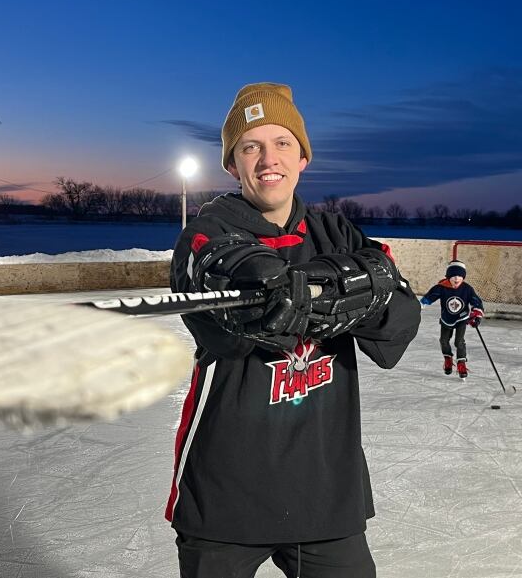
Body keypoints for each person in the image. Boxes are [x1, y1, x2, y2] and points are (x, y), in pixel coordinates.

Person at [168, 82, 421, 578]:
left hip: (326, 493)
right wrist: (339, 294)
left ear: (303, 156)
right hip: (225, 494)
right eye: (250, 146)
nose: (269, 159)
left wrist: (310, 295)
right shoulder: (207, 231)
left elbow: (399, 322)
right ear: (231, 164)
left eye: (283, 143)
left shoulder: (337, 232)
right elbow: (230, 324)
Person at [419, 260, 484, 378]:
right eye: (453, 276)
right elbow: (429, 297)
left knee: (459, 341)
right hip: (446, 319)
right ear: (448, 277)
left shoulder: (467, 289)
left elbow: (476, 302)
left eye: (460, 276)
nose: (456, 278)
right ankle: (448, 358)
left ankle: (461, 363)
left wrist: (476, 314)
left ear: (463, 277)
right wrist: (420, 305)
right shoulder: (441, 287)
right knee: (443, 340)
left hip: (461, 319)